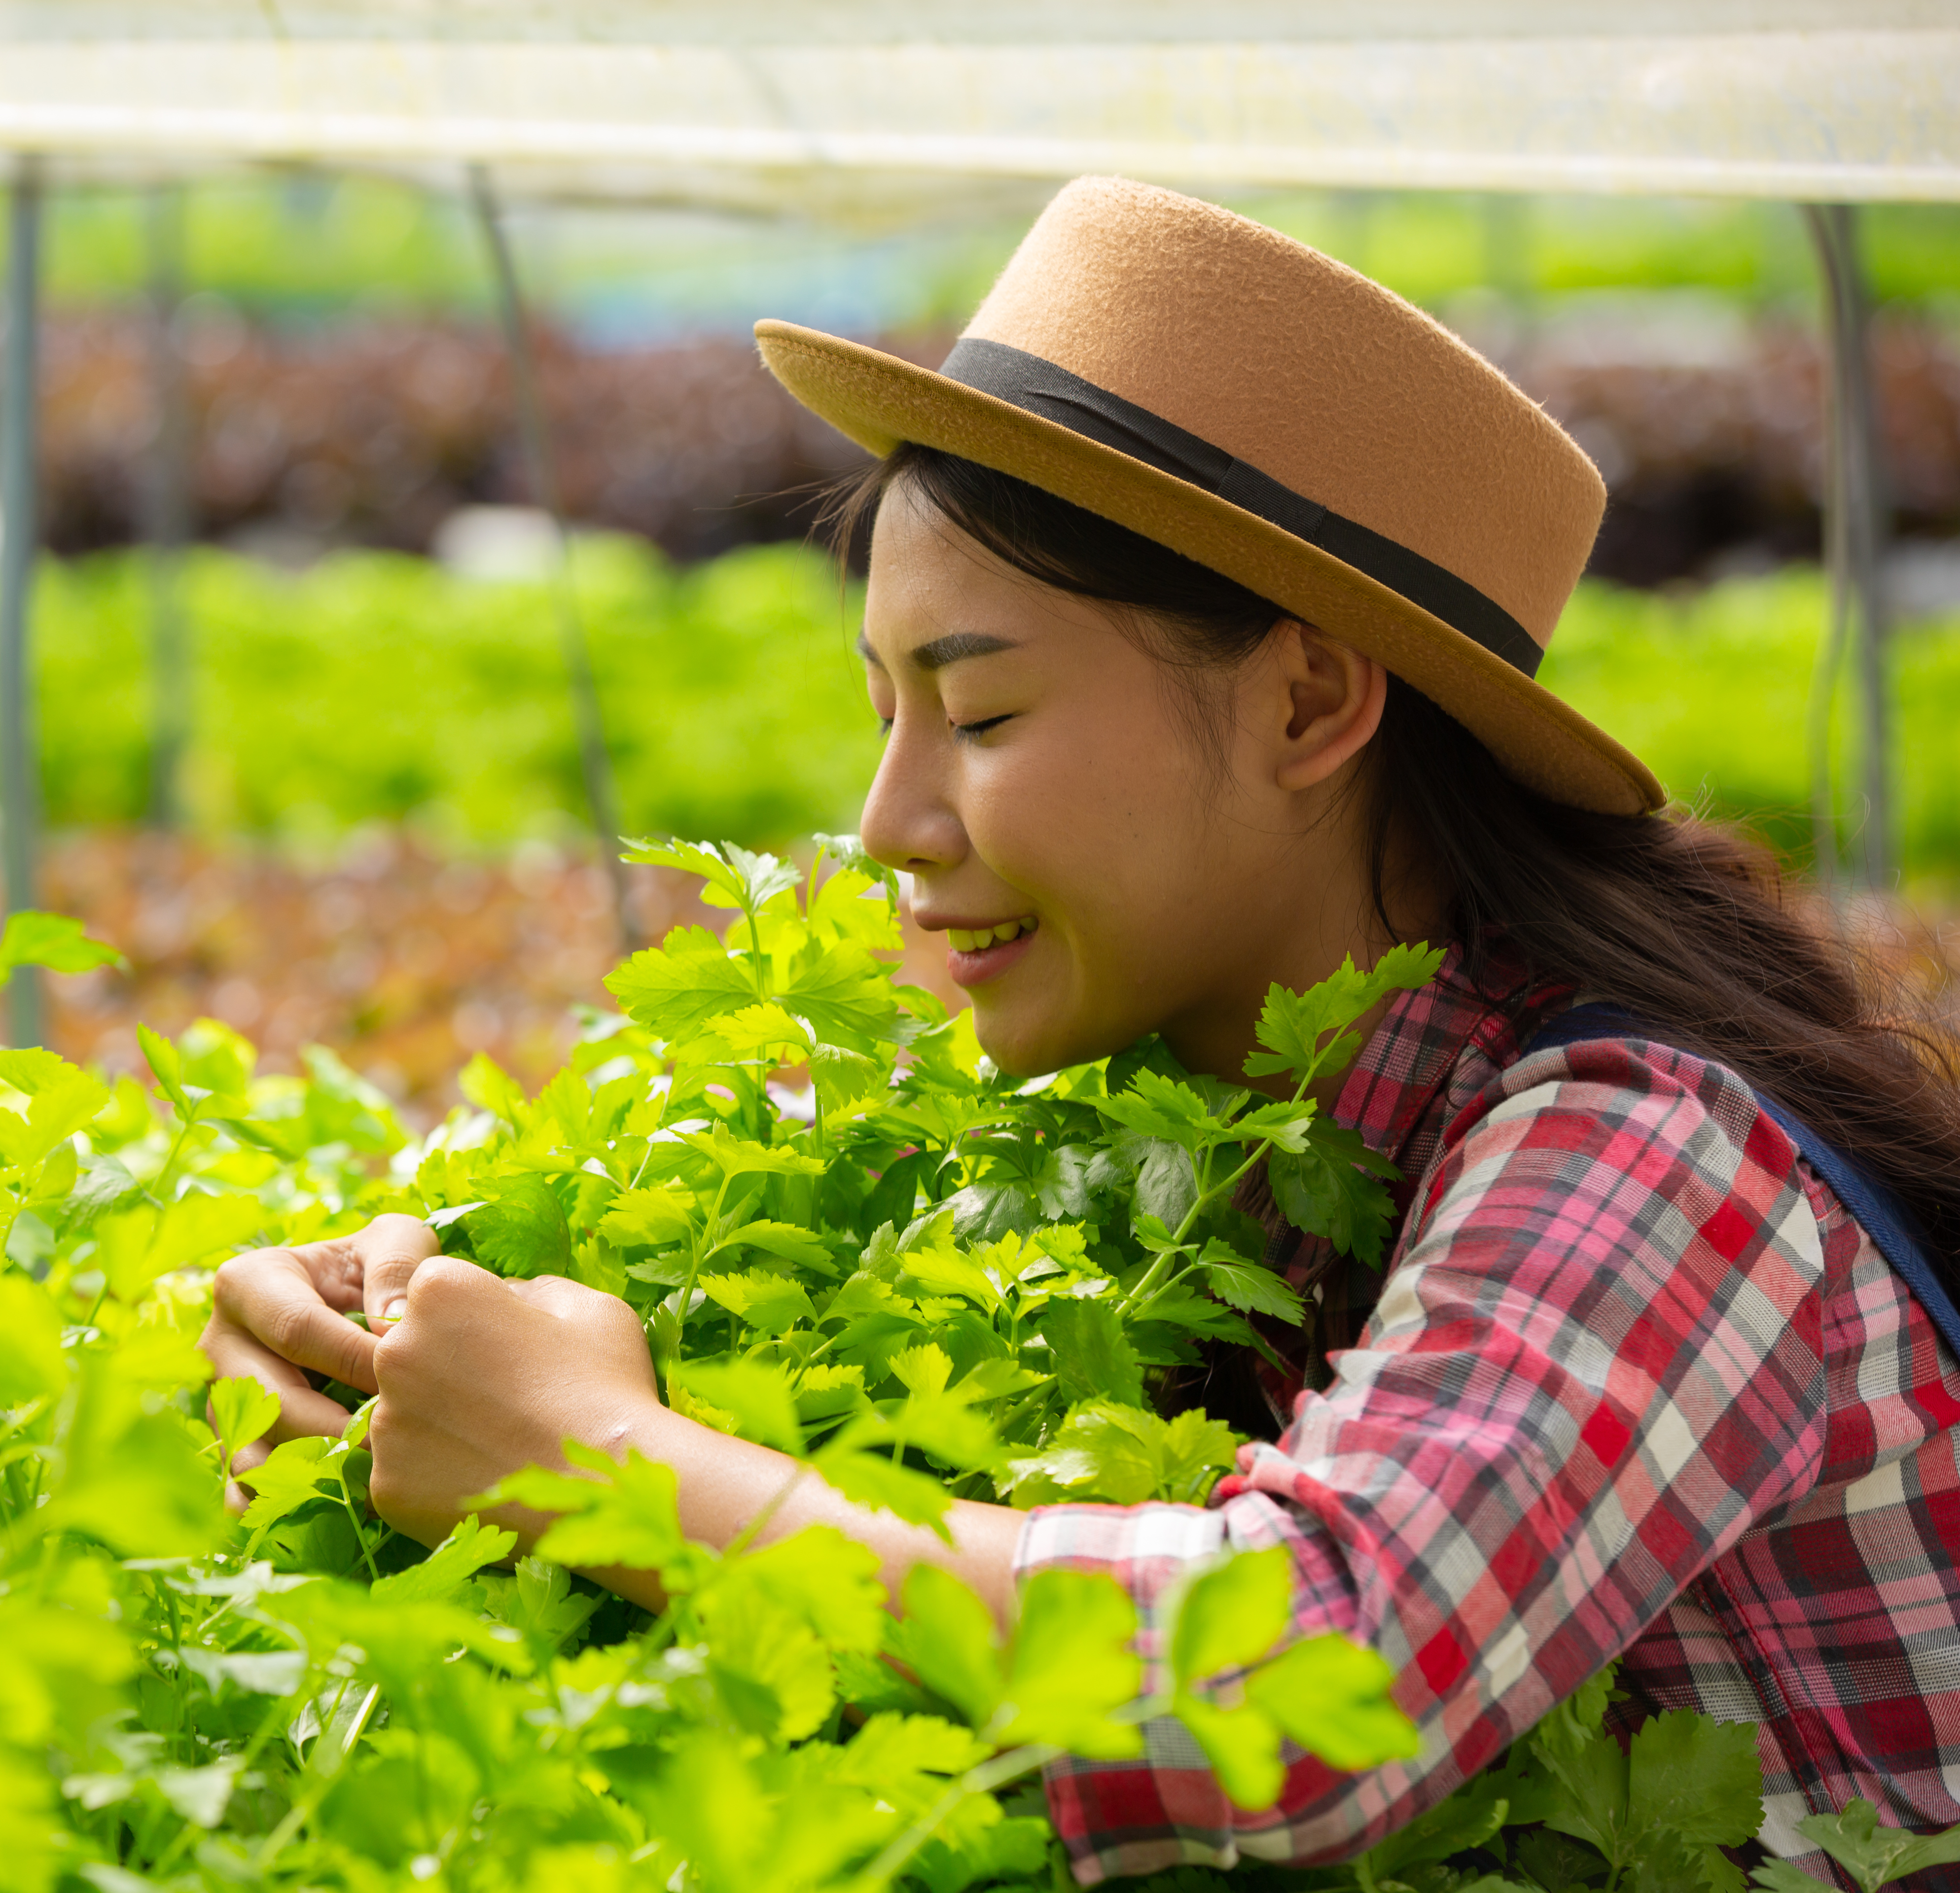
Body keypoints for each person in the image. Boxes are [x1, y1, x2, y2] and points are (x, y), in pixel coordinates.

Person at [197, 177, 1960, 1887]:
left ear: (1308, 698)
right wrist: (386, 1312)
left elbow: (1310, 1680)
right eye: (884, 713)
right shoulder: (1173, 1102)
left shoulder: (1648, 1154)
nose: (887, 820)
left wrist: (606, 1471)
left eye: (980, 710)